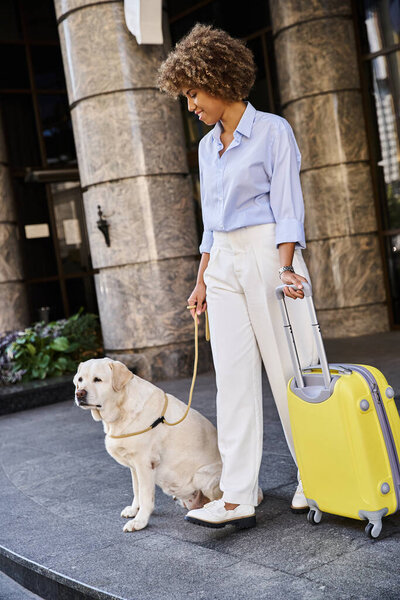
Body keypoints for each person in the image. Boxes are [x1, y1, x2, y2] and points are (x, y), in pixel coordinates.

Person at [156, 23, 319, 529]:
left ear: (218, 79)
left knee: (291, 370)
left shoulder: (273, 130)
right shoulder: (208, 148)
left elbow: (288, 206)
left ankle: (316, 476)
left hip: (269, 252)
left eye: (193, 93)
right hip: (223, 260)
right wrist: (202, 278)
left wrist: (287, 266)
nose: (191, 105)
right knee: (232, 380)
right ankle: (238, 494)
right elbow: (212, 223)